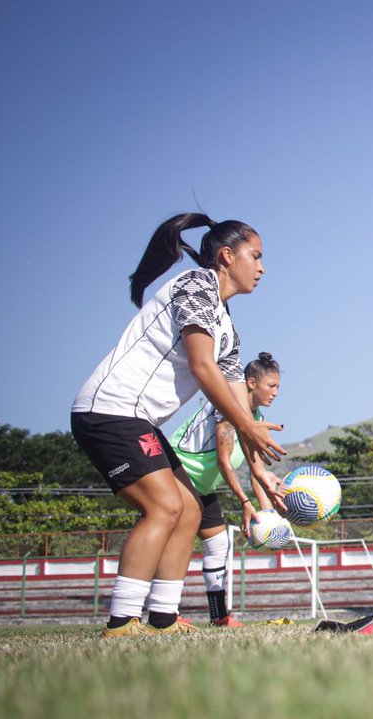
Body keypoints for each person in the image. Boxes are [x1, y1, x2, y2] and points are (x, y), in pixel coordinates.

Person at [71, 214, 285, 638]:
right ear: (227, 256)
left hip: (139, 419)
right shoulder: (196, 286)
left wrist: (258, 468)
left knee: (189, 509)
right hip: (110, 410)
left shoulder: (226, 327)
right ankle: (121, 621)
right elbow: (203, 368)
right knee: (165, 506)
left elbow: (234, 405)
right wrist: (248, 426)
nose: (262, 268)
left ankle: (163, 618)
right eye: (256, 256)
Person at [169, 352, 283, 627]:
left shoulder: (256, 416)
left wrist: (268, 515)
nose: (276, 393)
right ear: (251, 383)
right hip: (178, 475)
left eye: (278, 387)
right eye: (271, 386)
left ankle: (219, 616)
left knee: (219, 543)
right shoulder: (229, 406)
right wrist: (245, 502)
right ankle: (165, 614)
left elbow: (255, 468)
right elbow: (224, 461)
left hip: (202, 487)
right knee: (179, 540)